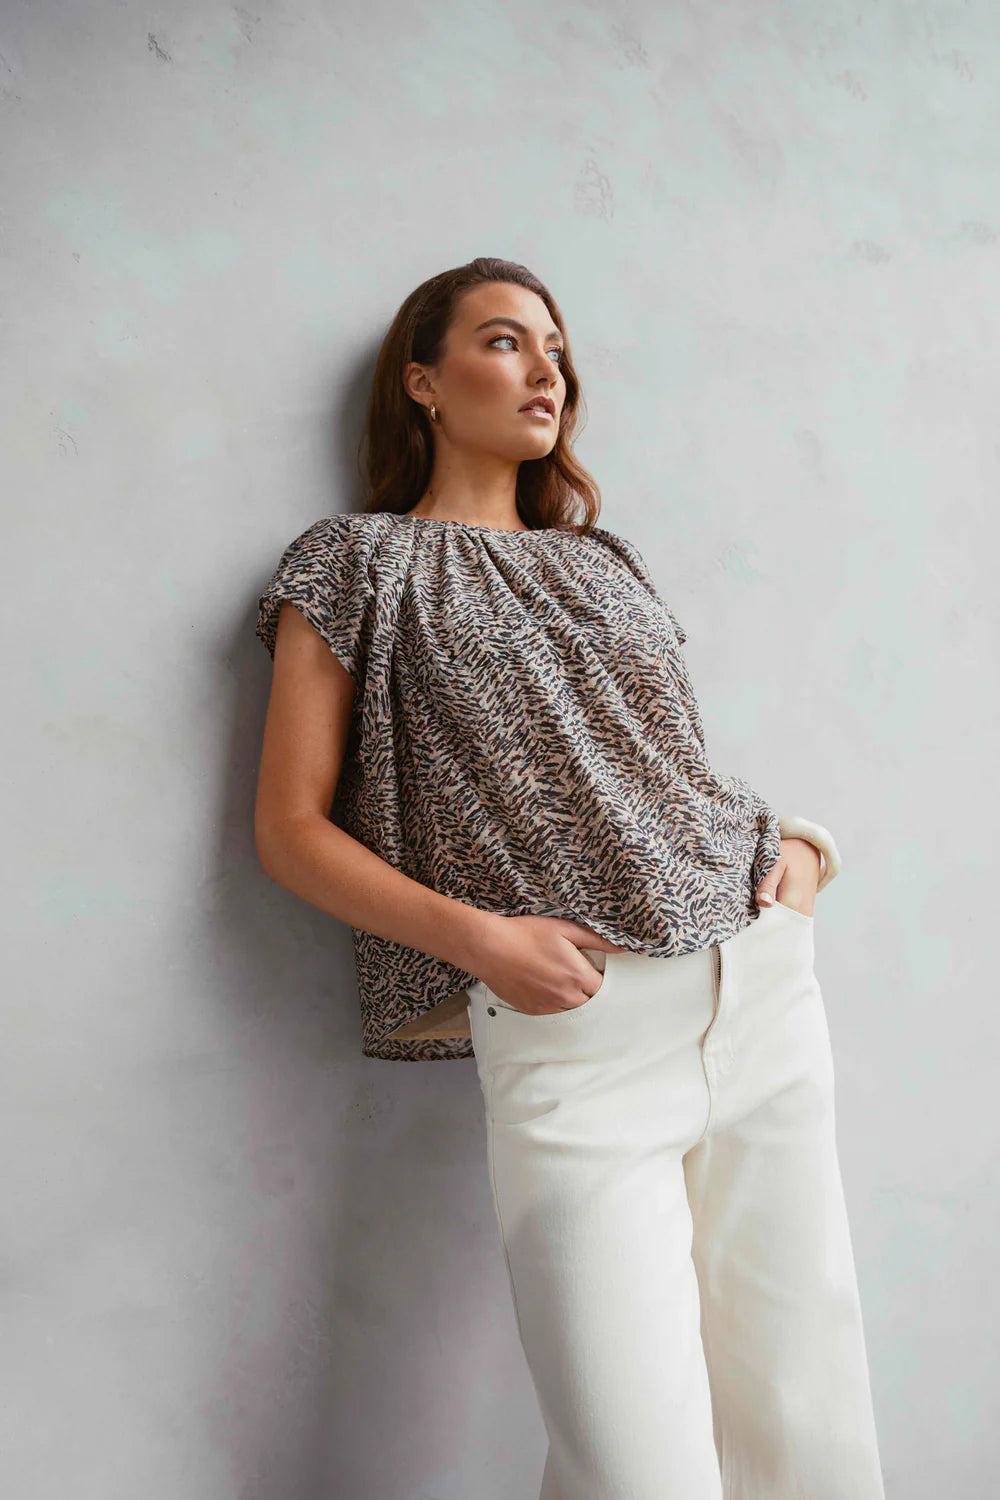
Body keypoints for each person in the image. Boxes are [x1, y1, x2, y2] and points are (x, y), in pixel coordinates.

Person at [253, 257, 885, 1498]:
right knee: (633, 1464)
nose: (546, 370)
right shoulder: (353, 563)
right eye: (505, 341)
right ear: (424, 382)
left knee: (806, 1428)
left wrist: (801, 850)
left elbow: (663, 769)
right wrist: (481, 942)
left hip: (755, 988)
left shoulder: (605, 562)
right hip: (572, 1030)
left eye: (556, 349)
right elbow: (288, 828)